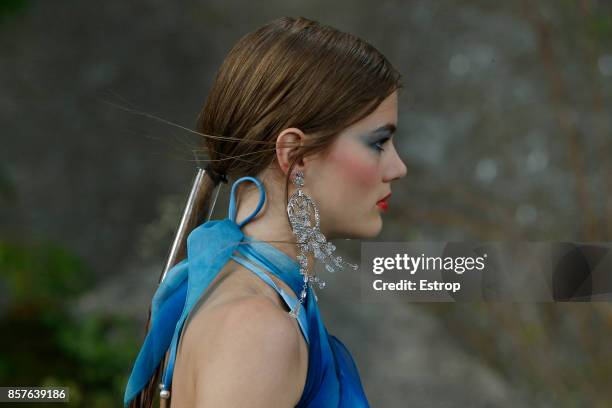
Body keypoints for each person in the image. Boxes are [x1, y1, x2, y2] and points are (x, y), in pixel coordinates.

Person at [124, 16, 407, 407]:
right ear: (295, 155)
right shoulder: (257, 331)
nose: (397, 168)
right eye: (379, 143)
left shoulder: (240, 292)